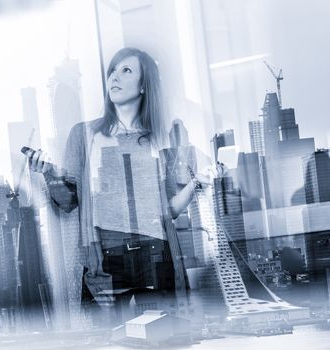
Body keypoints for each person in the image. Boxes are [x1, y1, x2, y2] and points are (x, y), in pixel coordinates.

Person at [25, 47, 202, 323]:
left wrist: (196, 184)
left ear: (143, 86)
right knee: (109, 339)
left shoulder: (158, 138)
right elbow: (69, 201)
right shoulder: (85, 135)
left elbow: (169, 209)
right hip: (106, 260)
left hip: (156, 256)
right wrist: (48, 174)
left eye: (126, 71)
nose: (114, 78)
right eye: (112, 72)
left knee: (166, 336)